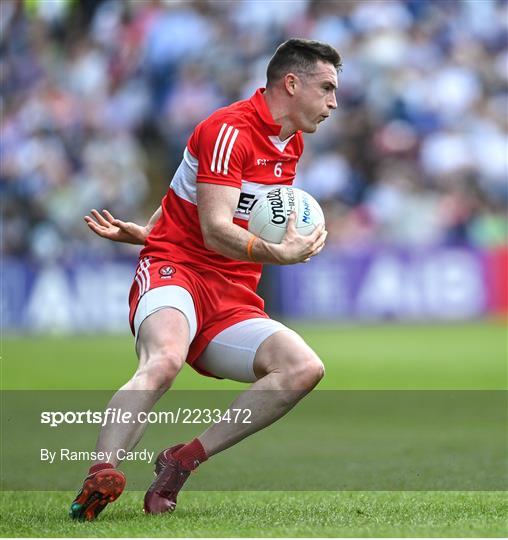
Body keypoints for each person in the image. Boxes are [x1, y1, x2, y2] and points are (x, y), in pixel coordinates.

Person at [70, 38, 341, 521]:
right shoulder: (227, 129)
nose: (333, 103)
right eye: (326, 88)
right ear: (292, 83)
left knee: (303, 368)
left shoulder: (290, 142)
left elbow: (193, 185)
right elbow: (216, 230)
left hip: (232, 293)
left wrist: (151, 223)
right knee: (165, 360)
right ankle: (101, 473)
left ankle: (182, 461)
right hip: (179, 268)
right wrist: (278, 252)